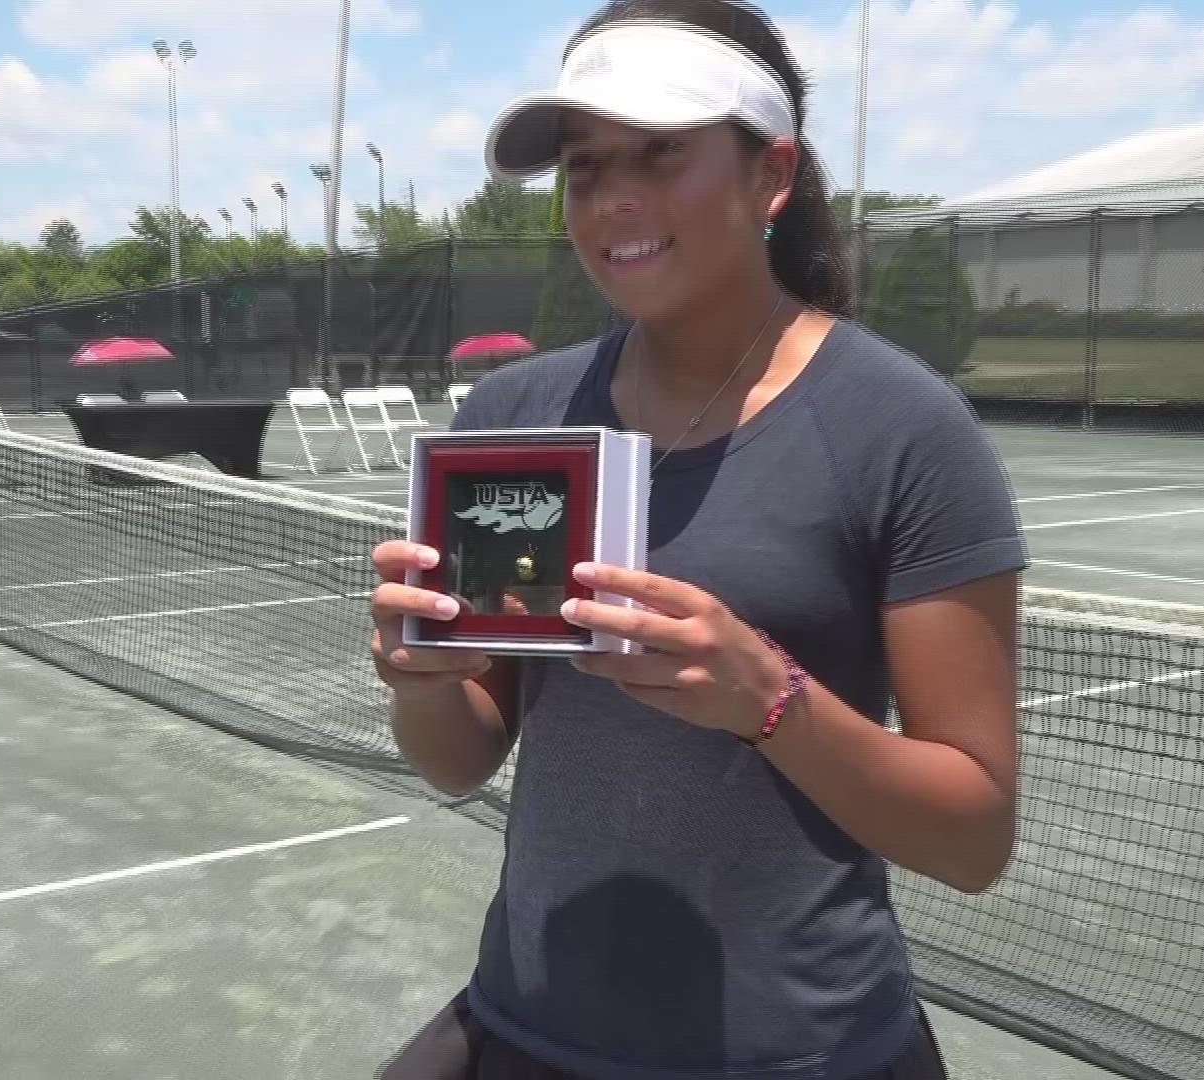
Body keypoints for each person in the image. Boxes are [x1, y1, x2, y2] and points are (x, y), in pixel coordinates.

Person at [369, 2, 1027, 1077]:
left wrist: (768, 699)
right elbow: (458, 759)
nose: (615, 198)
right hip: (525, 1030)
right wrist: (419, 678)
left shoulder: (906, 431)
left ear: (770, 177)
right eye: (586, 167)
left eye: (662, 154)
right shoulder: (510, 420)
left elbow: (974, 836)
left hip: (804, 1055)